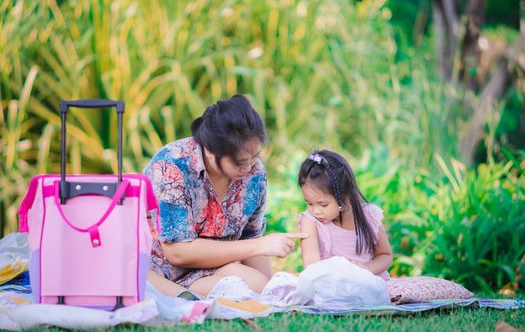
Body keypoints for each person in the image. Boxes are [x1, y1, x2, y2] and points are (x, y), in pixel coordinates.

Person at [144, 94, 307, 298]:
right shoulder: (172, 165)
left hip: (209, 272)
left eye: (254, 157)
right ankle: (176, 296)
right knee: (245, 286)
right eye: (239, 162)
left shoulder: (254, 174)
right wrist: (261, 245)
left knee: (257, 284)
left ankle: (187, 298)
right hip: (159, 270)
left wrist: (270, 293)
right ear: (211, 150)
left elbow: (251, 238)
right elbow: (177, 252)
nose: (248, 168)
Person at [297, 150, 392, 280]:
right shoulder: (310, 222)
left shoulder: (368, 215)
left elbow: (385, 255)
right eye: (309, 203)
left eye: (323, 204)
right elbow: (311, 266)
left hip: (369, 284)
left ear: (344, 195)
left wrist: (367, 269)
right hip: (332, 286)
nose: (315, 211)